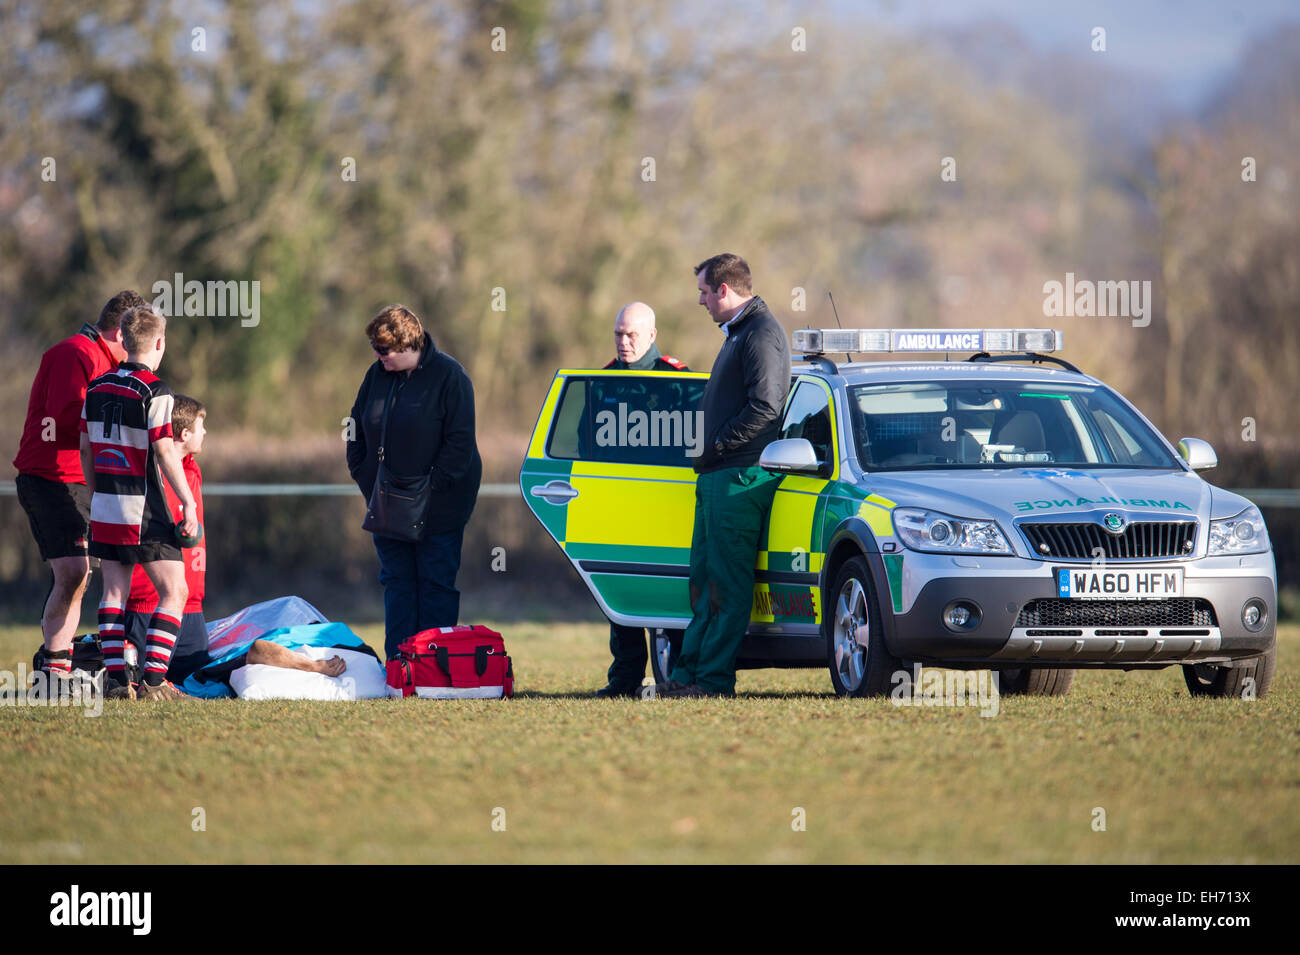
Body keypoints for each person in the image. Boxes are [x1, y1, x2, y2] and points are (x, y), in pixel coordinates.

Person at [648, 253, 791, 698]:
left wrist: (717, 445)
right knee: (703, 582)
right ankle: (687, 675)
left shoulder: (761, 334)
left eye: (704, 292)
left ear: (724, 290)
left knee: (726, 586)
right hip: (717, 476)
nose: (701, 301)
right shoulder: (739, 333)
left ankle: (712, 681)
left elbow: (766, 408)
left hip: (740, 477)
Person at [14, 290, 142, 692]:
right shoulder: (77, 354)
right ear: (122, 333)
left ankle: (58, 667)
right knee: (73, 571)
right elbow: (64, 420)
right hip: (51, 477)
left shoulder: (102, 360)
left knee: (79, 574)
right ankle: (51, 672)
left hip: (76, 480)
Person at [346, 304, 482, 659]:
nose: (379, 357)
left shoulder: (451, 377)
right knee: (397, 584)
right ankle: (400, 667)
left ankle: (434, 668)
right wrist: (365, 477)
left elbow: (461, 443)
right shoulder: (376, 375)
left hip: (439, 507)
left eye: (385, 351)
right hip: (387, 505)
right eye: (375, 350)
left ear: (409, 346)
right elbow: (355, 427)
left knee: (435, 584)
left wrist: (430, 488)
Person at [80, 305, 198, 701]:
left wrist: (97, 496)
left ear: (125, 341)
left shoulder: (95, 387)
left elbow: (86, 449)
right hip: (143, 508)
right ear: (160, 342)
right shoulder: (156, 390)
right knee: (175, 590)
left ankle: (116, 682)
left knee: (113, 594)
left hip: (106, 506)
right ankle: (152, 681)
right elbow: (165, 451)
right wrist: (188, 504)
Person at [591, 302, 690, 699]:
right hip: (622, 507)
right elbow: (590, 446)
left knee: (673, 592)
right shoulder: (603, 381)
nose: (624, 341)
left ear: (651, 336)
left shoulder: (678, 378)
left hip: (668, 505)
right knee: (622, 593)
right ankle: (624, 679)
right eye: (619, 333)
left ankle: (678, 676)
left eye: (632, 334)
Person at [121, 395, 211, 686]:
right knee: (139, 682)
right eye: (201, 426)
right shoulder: (147, 476)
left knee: (197, 684)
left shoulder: (192, 470)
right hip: (148, 606)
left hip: (192, 609)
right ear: (185, 434)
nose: (205, 433)